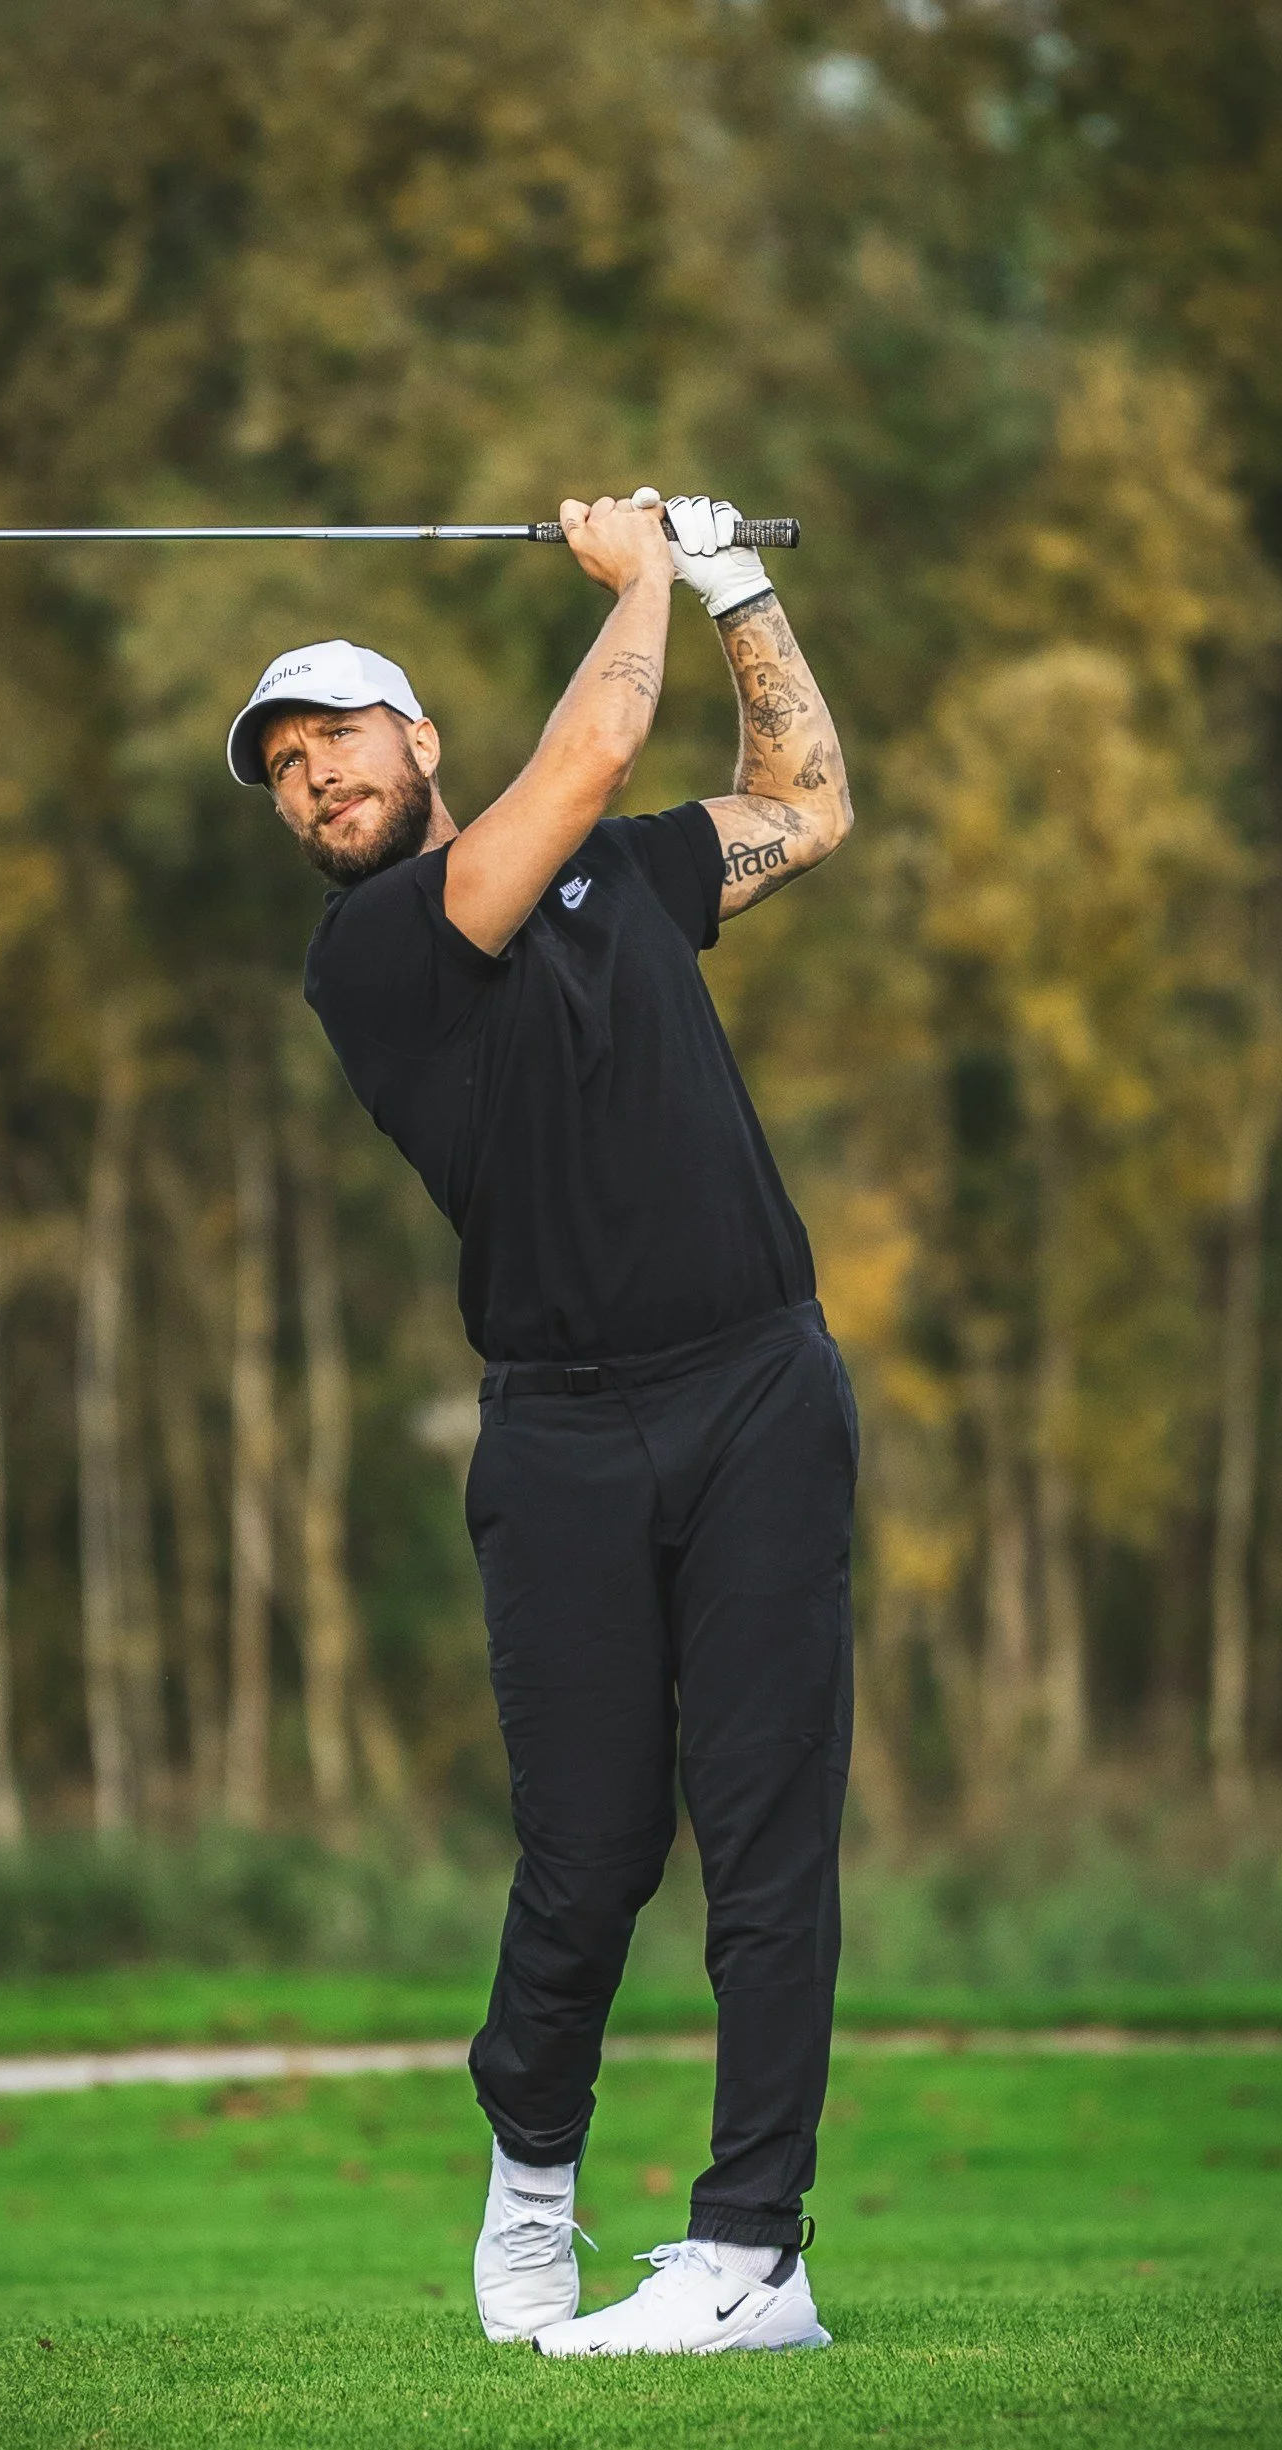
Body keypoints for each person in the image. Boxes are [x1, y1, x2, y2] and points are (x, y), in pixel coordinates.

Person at [227, 492, 856, 2355]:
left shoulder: (617, 875)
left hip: (757, 1384)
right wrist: (647, 564)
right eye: (280, 769)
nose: (312, 779)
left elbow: (806, 802)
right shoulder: (383, 952)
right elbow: (587, 746)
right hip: (565, 1435)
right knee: (588, 1854)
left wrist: (738, 586)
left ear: (415, 738)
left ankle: (754, 2252)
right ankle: (531, 2186)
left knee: (768, 1834)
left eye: (334, 737)